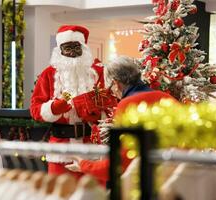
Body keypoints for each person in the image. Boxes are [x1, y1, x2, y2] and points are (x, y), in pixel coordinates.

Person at [65, 56, 177, 184]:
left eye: (110, 88)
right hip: (174, 179)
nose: (112, 93)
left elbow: (121, 162)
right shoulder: (168, 99)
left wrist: (84, 165)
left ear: (115, 83)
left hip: (146, 183)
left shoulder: (127, 105)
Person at [30, 25, 108, 177]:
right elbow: (35, 110)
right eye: (67, 48)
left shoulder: (97, 73)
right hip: (61, 149)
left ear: (83, 48)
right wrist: (54, 108)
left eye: (76, 47)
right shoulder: (48, 74)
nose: (72, 52)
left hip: (91, 147)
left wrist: (95, 112)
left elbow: (110, 104)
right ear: (59, 50)